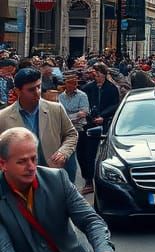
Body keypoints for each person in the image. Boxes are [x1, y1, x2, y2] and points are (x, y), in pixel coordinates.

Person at [0, 69, 78, 177]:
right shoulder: (3, 117)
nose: (37, 92)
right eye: (31, 90)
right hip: (19, 179)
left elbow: (71, 134)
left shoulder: (56, 109)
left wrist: (64, 152)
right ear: (17, 91)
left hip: (52, 174)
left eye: (39, 87)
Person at [79, 63, 120, 194]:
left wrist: (103, 116)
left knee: (105, 153)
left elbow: (114, 105)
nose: (96, 77)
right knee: (86, 153)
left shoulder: (112, 88)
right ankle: (89, 181)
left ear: (104, 74)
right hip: (90, 124)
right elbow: (85, 105)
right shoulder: (88, 88)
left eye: (98, 75)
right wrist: (90, 116)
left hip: (105, 124)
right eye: (94, 75)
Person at [57, 74, 90, 184]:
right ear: (65, 84)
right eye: (69, 83)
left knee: (81, 156)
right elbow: (60, 114)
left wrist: (68, 116)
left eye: (74, 83)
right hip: (65, 130)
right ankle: (67, 182)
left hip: (79, 128)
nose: (72, 85)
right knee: (68, 155)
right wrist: (74, 116)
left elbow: (83, 113)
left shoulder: (82, 95)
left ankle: (86, 180)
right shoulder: (60, 97)